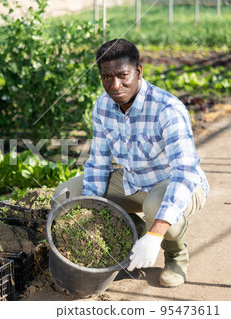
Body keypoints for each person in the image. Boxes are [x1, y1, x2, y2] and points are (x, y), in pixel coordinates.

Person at [53, 39, 209, 288]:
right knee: (65, 195)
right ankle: (134, 232)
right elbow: (98, 163)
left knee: (156, 204)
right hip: (133, 182)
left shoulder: (167, 109)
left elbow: (185, 174)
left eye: (122, 75)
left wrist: (156, 234)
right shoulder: (103, 106)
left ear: (138, 71)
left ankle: (175, 255)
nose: (115, 85)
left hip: (180, 186)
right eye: (106, 77)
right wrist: (91, 209)